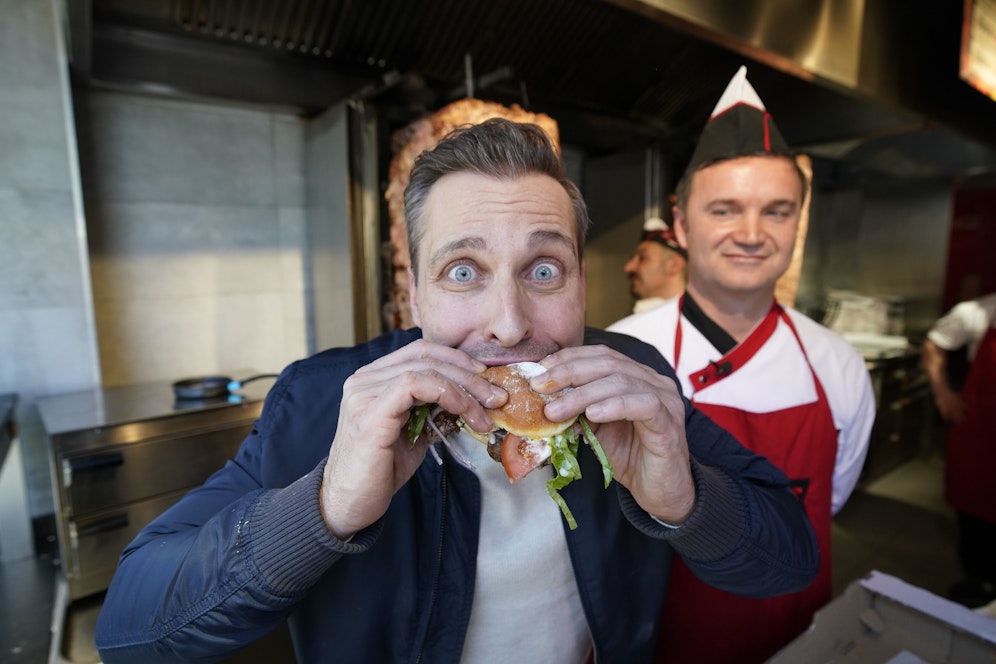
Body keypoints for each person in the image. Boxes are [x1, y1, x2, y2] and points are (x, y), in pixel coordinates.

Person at [94, 118, 819, 663]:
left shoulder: (629, 378)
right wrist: (324, 508)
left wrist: (685, 499)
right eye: (464, 272)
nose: (507, 327)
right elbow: (129, 631)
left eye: (543, 270)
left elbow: (790, 561)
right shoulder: (321, 400)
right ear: (415, 297)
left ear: (581, 284)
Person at [608, 66, 875, 663]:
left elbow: (826, 505)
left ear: (797, 223)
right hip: (653, 639)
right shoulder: (620, 353)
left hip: (792, 638)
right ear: (680, 222)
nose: (751, 234)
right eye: (724, 210)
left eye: (777, 211)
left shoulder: (838, 366)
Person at [922, 292, 996, 608]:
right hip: (983, 434)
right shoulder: (979, 312)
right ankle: (979, 581)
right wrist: (942, 393)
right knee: (975, 511)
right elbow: (933, 344)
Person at [623, 216, 687, 313]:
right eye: (632, 258)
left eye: (642, 258)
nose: (628, 267)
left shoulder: (696, 324)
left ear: (674, 265)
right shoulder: (629, 324)